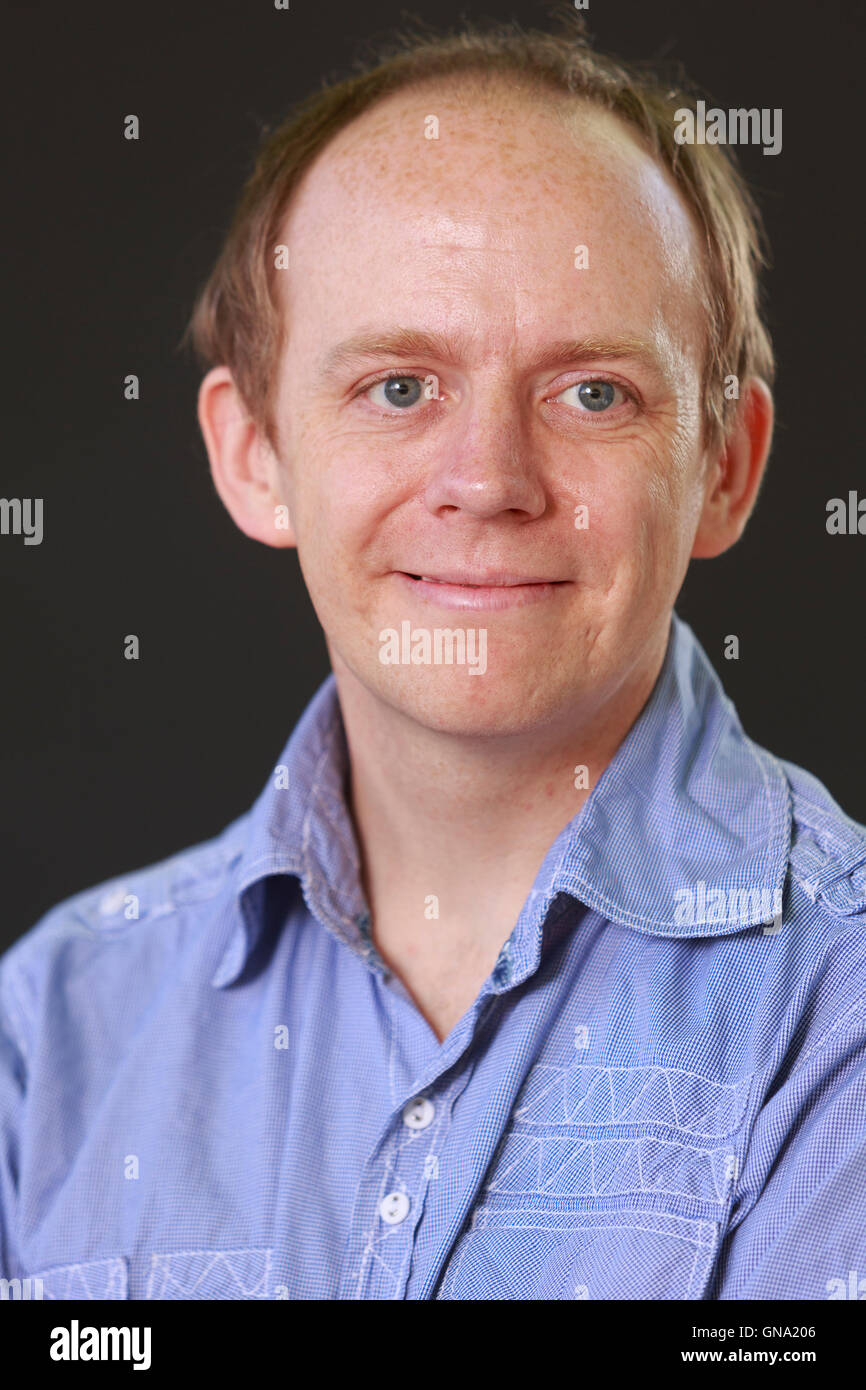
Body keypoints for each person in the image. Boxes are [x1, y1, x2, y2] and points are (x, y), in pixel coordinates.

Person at [2, 14, 864, 1302]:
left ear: (724, 468)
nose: (487, 483)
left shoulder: (838, 1012)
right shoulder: (58, 1021)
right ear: (256, 456)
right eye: (400, 387)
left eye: (593, 393)